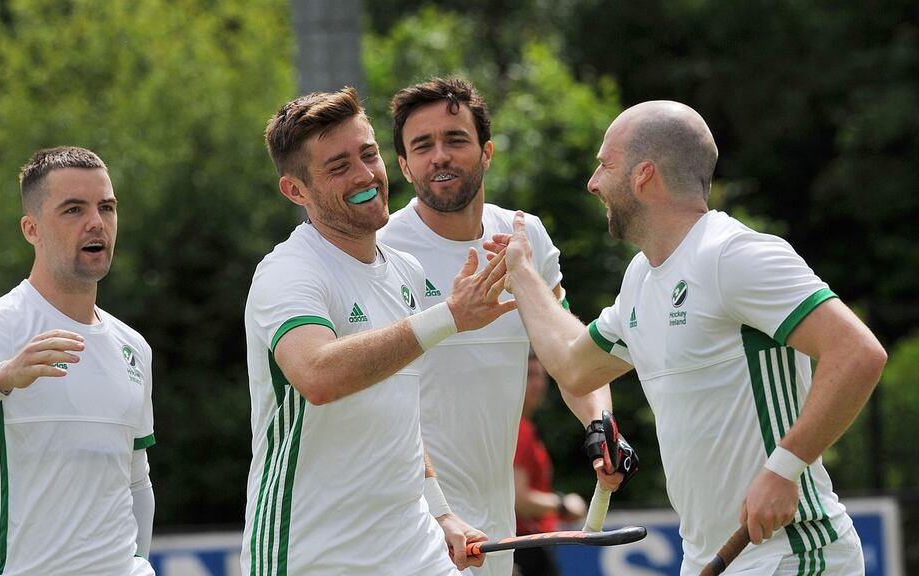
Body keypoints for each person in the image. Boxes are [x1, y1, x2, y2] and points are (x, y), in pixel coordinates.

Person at [489, 100, 887, 574]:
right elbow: (574, 368)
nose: (593, 182)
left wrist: (785, 468)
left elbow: (858, 352)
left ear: (644, 175)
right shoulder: (641, 277)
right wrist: (522, 273)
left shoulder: (732, 254)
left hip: (792, 553)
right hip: (707, 558)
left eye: (605, 165)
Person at [242, 87, 516, 575]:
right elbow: (318, 375)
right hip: (313, 556)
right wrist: (450, 315)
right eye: (339, 166)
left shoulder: (405, 271)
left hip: (415, 548)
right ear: (295, 191)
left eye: (368, 155)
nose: (365, 175)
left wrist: (441, 511)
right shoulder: (287, 271)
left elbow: (401, 414)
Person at [377, 77, 630, 576]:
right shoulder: (382, 248)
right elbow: (376, 402)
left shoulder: (524, 235)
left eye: (455, 139)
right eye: (422, 146)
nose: (440, 156)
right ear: (404, 166)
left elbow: (569, 354)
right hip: (412, 526)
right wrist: (437, 510)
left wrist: (600, 425)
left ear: (487, 152)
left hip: (496, 528)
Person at [0, 146, 156, 575]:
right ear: (32, 229)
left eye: (106, 207)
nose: (96, 222)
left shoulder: (133, 346)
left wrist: (140, 562)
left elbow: (136, 479)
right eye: (74, 209)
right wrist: (4, 376)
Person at [512, 353, 587, 576]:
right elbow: (518, 499)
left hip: (524, 544)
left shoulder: (523, 427)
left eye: (541, 376)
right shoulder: (519, 430)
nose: (538, 384)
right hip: (524, 544)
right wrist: (563, 504)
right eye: (529, 375)